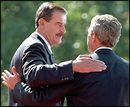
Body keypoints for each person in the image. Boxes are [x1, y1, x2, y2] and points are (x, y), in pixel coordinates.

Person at [2, 14, 129, 106]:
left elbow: (42, 99)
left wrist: (17, 86)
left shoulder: (80, 69)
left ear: (93, 36)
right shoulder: (127, 69)